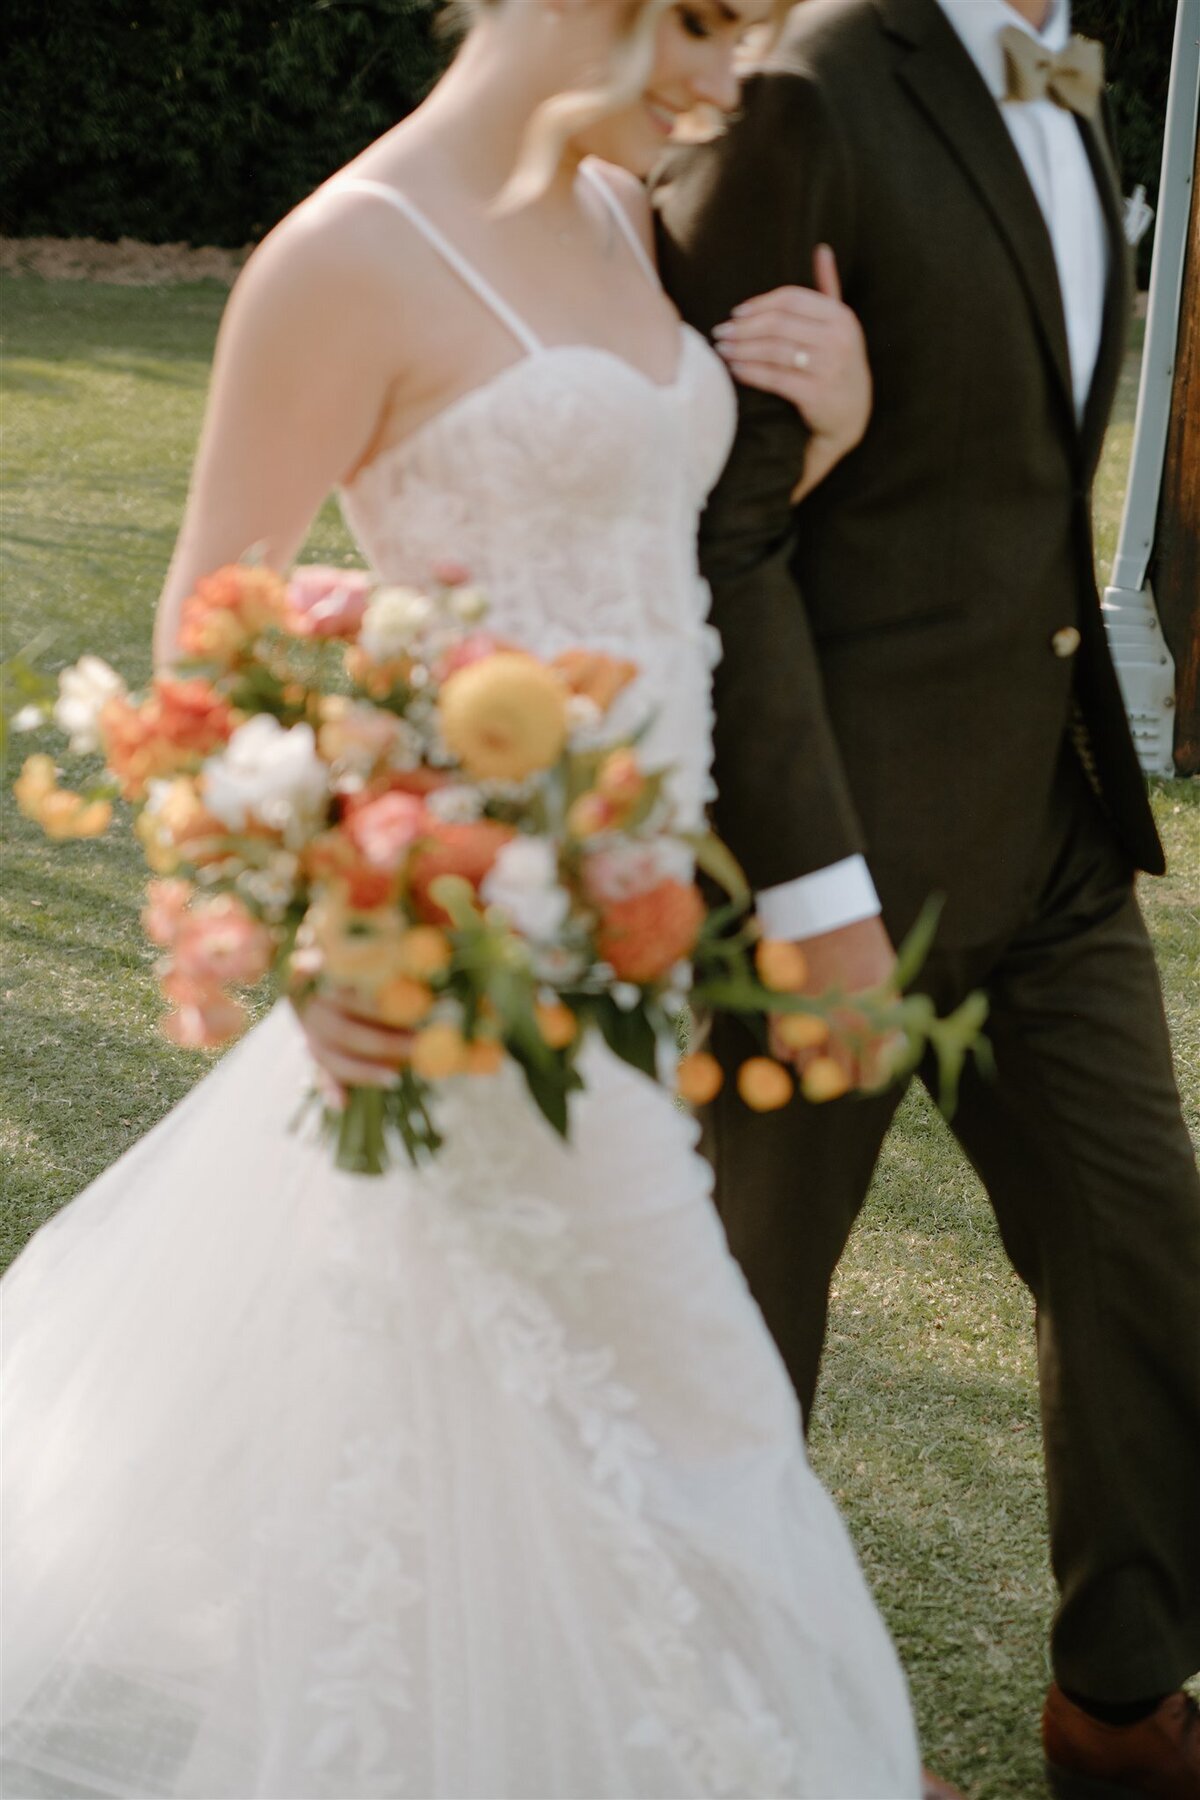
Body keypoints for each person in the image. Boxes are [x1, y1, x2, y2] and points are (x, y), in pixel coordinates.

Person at [0, 1, 924, 1795]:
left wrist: (826, 428)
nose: (729, 88)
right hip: (466, 976)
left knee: (487, 1494)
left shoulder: (616, 219)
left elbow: (650, 554)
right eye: (705, 27)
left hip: (631, 979)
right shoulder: (346, 259)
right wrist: (306, 942)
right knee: (707, 1442)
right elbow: (207, 647)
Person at [653, 0, 1200, 1794]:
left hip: (1047, 827)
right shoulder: (812, 85)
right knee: (747, 1335)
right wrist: (808, 887)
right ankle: (713, 1739)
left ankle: (1119, 1704)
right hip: (824, 852)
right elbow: (708, 522)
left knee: (1145, 1255)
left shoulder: (1071, 79)